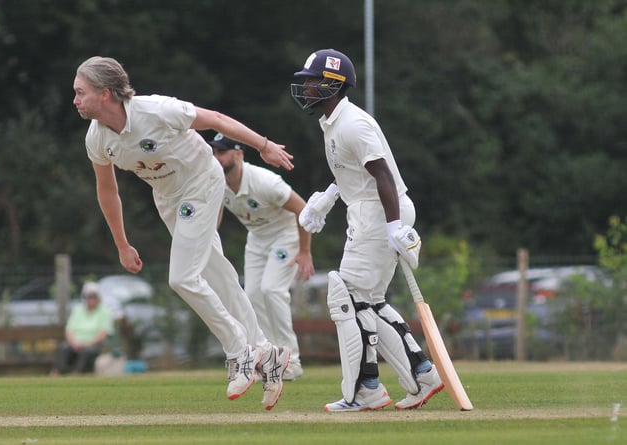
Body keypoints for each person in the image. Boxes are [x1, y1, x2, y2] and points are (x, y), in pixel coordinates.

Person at [72, 56, 292, 410]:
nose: (75, 100)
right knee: (217, 274)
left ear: (106, 93)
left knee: (182, 278)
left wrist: (263, 145)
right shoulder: (97, 139)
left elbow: (216, 120)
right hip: (168, 198)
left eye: (81, 92)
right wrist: (122, 243)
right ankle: (267, 352)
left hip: (201, 183)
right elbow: (107, 190)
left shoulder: (157, 110)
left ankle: (240, 351)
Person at [290, 48, 444, 412]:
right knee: (369, 302)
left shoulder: (354, 124)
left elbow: (382, 174)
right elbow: (351, 172)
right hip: (367, 210)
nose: (307, 87)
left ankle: (366, 390)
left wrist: (393, 226)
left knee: (347, 297)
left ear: (333, 84)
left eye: (313, 81)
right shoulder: (332, 122)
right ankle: (422, 375)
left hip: (379, 211)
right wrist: (326, 199)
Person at [210, 132, 315, 381]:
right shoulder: (218, 182)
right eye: (214, 152)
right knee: (253, 296)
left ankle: (292, 361)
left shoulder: (265, 182)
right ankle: (269, 359)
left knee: (272, 290)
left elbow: (303, 209)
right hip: (256, 239)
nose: (216, 157)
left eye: (221, 152)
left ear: (238, 153)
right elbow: (215, 217)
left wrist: (305, 251)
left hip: (286, 235)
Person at [51, 282, 114, 375]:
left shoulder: (105, 311)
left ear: (98, 298)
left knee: (86, 352)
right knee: (64, 348)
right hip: (75, 344)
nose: (91, 299)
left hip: (94, 344)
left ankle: (77, 374)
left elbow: (103, 333)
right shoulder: (78, 310)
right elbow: (69, 330)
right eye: (88, 297)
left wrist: (88, 344)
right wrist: (74, 343)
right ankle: (58, 372)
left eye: (93, 297)